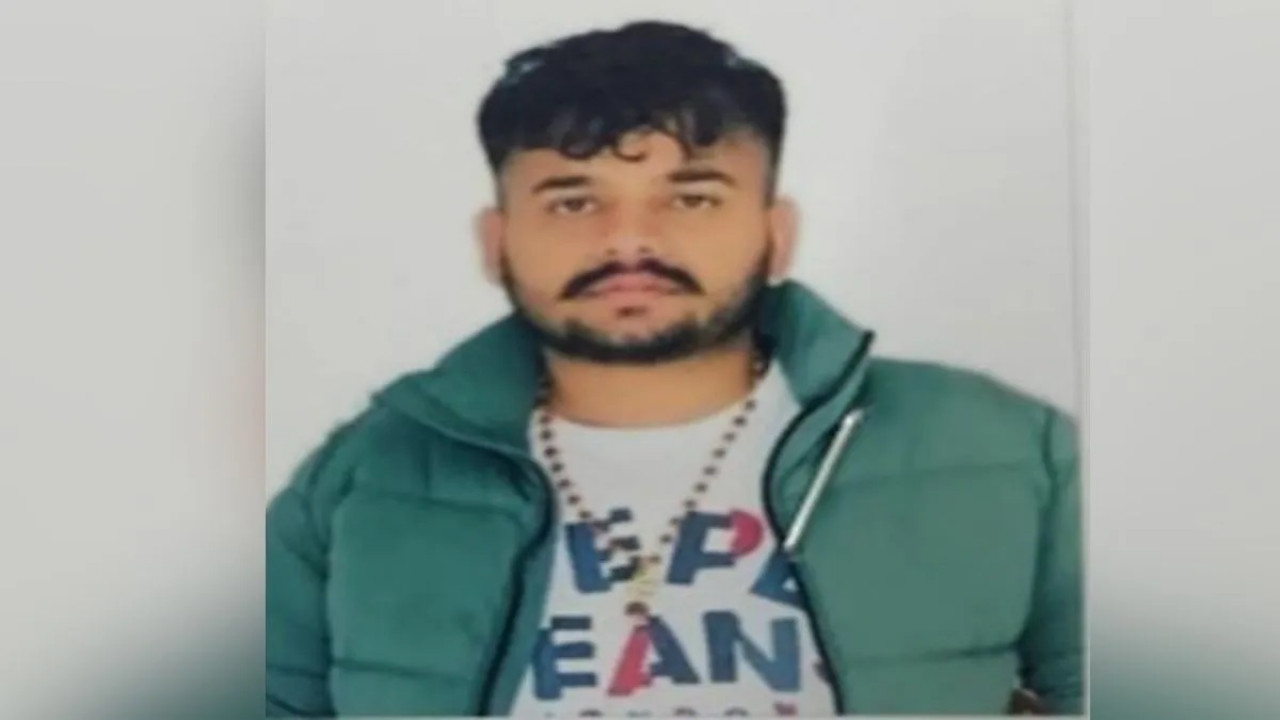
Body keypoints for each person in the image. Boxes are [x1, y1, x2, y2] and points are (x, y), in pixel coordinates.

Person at [266, 20, 1082, 717]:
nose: (629, 240)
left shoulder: (1002, 450)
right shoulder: (366, 478)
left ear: (776, 236)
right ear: (496, 241)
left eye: (691, 197)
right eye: (573, 202)